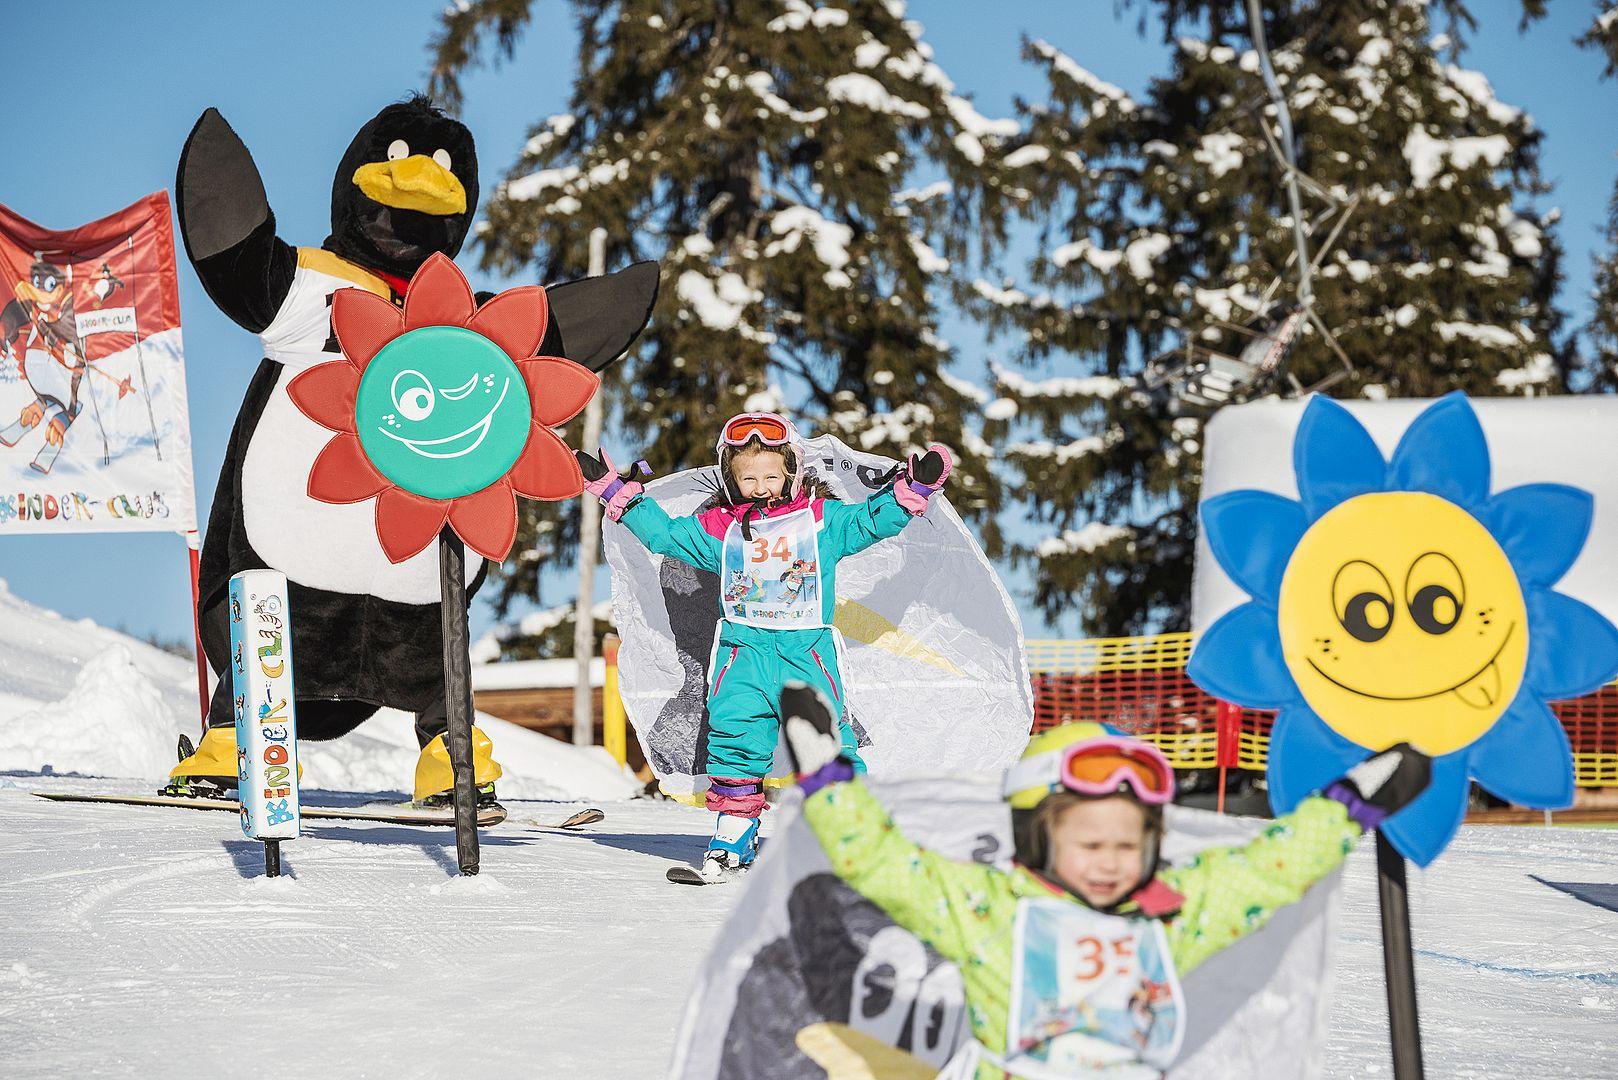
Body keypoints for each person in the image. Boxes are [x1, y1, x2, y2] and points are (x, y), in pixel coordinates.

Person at [778, 682, 1432, 1078]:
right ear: (1037, 837)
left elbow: (1266, 871)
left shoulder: (1169, 918)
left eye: (1128, 845)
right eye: (1090, 845)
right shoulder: (989, 910)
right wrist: (828, 781)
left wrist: (1348, 806)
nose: (1111, 861)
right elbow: (884, 863)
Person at [577, 411, 951, 879]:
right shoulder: (721, 528)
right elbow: (666, 536)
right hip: (742, 653)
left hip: (806, 652)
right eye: (748, 478)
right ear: (730, 479)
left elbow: (869, 522)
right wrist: (618, 494)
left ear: (792, 470)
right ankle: (734, 832)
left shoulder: (820, 521)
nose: (760, 487)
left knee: (823, 739)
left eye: (771, 476)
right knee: (735, 734)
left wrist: (911, 491)